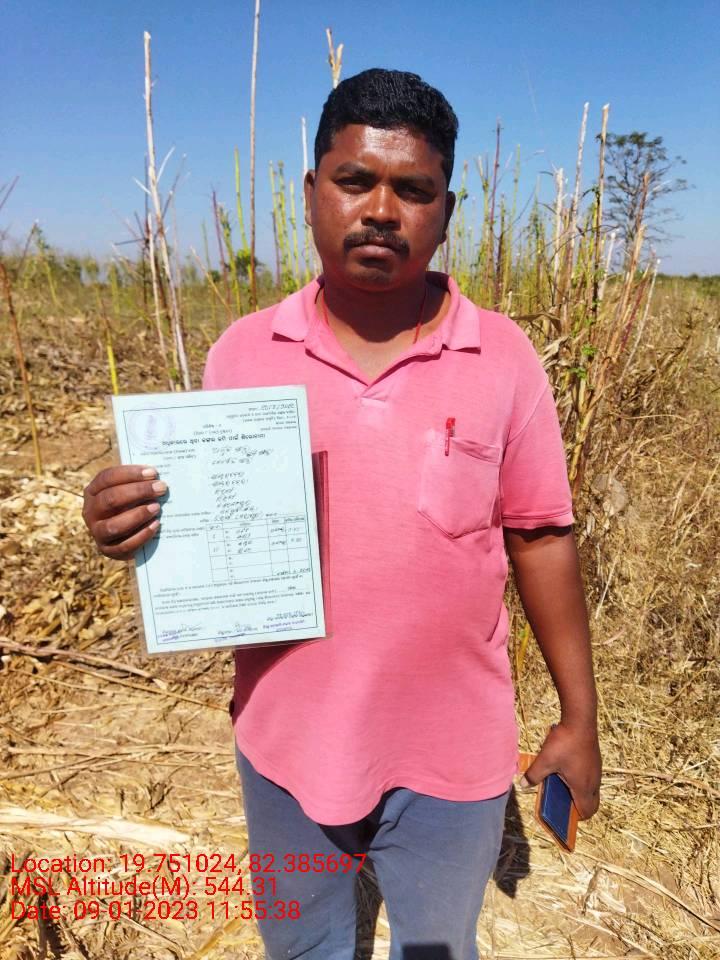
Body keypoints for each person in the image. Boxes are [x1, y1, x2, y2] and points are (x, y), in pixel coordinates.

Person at [82, 69, 601, 960]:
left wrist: (579, 716)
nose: (382, 211)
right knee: (303, 947)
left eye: (414, 190)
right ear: (312, 189)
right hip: (287, 743)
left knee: (439, 944)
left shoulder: (504, 358)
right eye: (355, 180)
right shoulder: (243, 353)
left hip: (453, 756)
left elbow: (541, 534)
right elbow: (208, 527)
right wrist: (130, 519)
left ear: (447, 210)